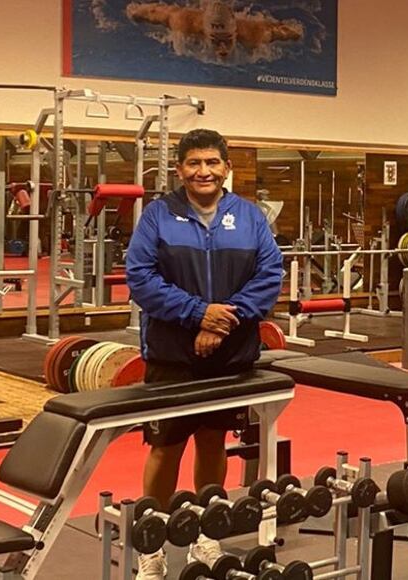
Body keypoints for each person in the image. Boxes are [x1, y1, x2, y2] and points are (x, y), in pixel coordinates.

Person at [125, 129, 282, 580]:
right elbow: (141, 278)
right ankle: (150, 545)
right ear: (179, 170)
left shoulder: (249, 218)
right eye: (194, 163)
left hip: (229, 357)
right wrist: (199, 315)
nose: (203, 171)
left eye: (212, 162)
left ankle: (205, 536)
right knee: (165, 445)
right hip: (173, 356)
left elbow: (270, 275)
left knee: (214, 441)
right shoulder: (158, 216)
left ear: (226, 167)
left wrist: (223, 322)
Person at [126, 0, 303, 62]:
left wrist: (293, 33)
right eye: (216, 40)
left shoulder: (254, 33)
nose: (222, 47)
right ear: (204, 32)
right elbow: (149, 11)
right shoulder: (182, 22)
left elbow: (292, 32)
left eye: (227, 39)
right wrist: (135, 13)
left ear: (235, 32)